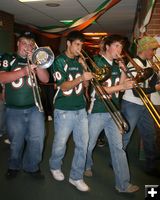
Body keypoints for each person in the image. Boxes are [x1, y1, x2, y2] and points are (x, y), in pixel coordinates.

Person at [84, 35, 139, 193]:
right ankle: (86, 165)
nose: (119, 50)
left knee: (118, 148)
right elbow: (98, 91)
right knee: (89, 144)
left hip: (114, 110)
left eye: (121, 47)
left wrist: (123, 71)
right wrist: (122, 85)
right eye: (116, 46)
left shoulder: (116, 64)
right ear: (107, 46)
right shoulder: (95, 62)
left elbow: (121, 88)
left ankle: (123, 184)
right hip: (97, 111)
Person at [0, 31, 49, 179]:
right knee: (16, 141)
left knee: (38, 139)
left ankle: (32, 167)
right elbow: (1, 77)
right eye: (24, 43)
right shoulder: (9, 57)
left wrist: (36, 64)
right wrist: (23, 71)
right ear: (18, 43)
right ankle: (13, 165)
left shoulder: (36, 59)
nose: (27, 47)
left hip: (35, 108)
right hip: (14, 109)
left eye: (30, 44)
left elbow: (45, 79)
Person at [49, 31, 93, 192]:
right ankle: (55, 166)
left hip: (80, 109)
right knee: (60, 144)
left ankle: (76, 177)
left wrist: (84, 70)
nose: (80, 48)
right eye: (77, 44)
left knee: (83, 145)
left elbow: (86, 87)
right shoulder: (59, 61)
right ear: (68, 43)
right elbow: (63, 86)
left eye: (81, 45)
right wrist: (81, 78)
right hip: (64, 109)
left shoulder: (79, 61)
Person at [121, 36, 160, 176]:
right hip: (132, 103)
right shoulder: (133, 64)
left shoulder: (149, 64)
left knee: (150, 135)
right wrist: (156, 88)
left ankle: (151, 166)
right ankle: (117, 162)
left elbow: (149, 85)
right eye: (152, 49)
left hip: (145, 103)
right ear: (144, 48)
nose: (153, 52)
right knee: (126, 136)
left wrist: (157, 76)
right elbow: (137, 91)